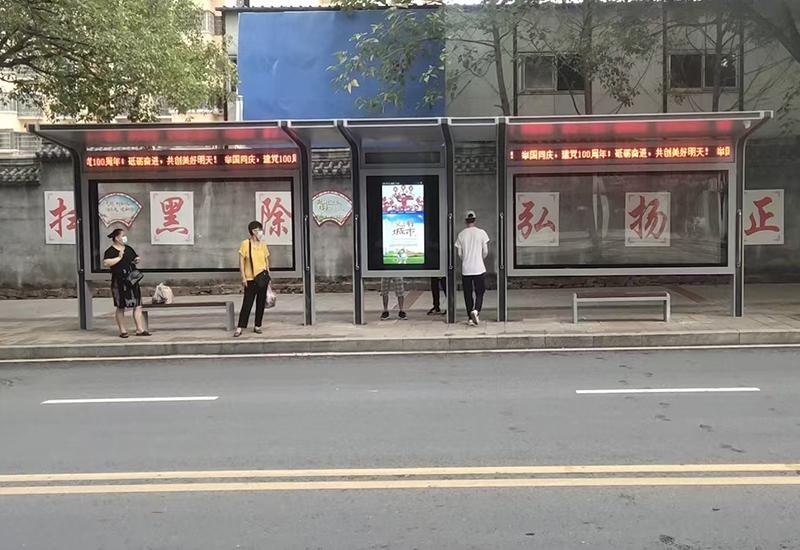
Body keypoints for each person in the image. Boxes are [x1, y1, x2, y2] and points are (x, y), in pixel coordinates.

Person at [103, 228, 149, 338]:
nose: (124, 237)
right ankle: (123, 330)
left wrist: (137, 259)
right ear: (116, 238)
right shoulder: (110, 251)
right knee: (121, 306)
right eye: (122, 235)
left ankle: (140, 329)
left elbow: (134, 257)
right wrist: (119, 257)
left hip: (131, 279)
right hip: (119, 280)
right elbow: (107, 262)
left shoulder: (128, 248)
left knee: (137, 304)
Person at [234, 221, 270, 337]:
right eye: (259, 230)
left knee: (261, 302)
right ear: (253, 232)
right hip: (250, 278)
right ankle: (240, 326)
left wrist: (268, 276)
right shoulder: (245, 244)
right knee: (247, 303)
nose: (261, 232)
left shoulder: (263, 244)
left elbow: (266, 260)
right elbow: (241, 261)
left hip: (262, 277)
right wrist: (243, 277)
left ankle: (257, 325)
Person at [455, 210, 489, 326]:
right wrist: (480, 258)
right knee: (480, 292)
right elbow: (485, 251)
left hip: (466, 269)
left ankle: (470, 317)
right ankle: (476, 310)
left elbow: (460, 253)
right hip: (479, 267)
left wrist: (465, 259)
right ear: (475, 220)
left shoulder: (461, 234)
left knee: (467, 294)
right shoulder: (482, 233)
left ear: (466, 221)